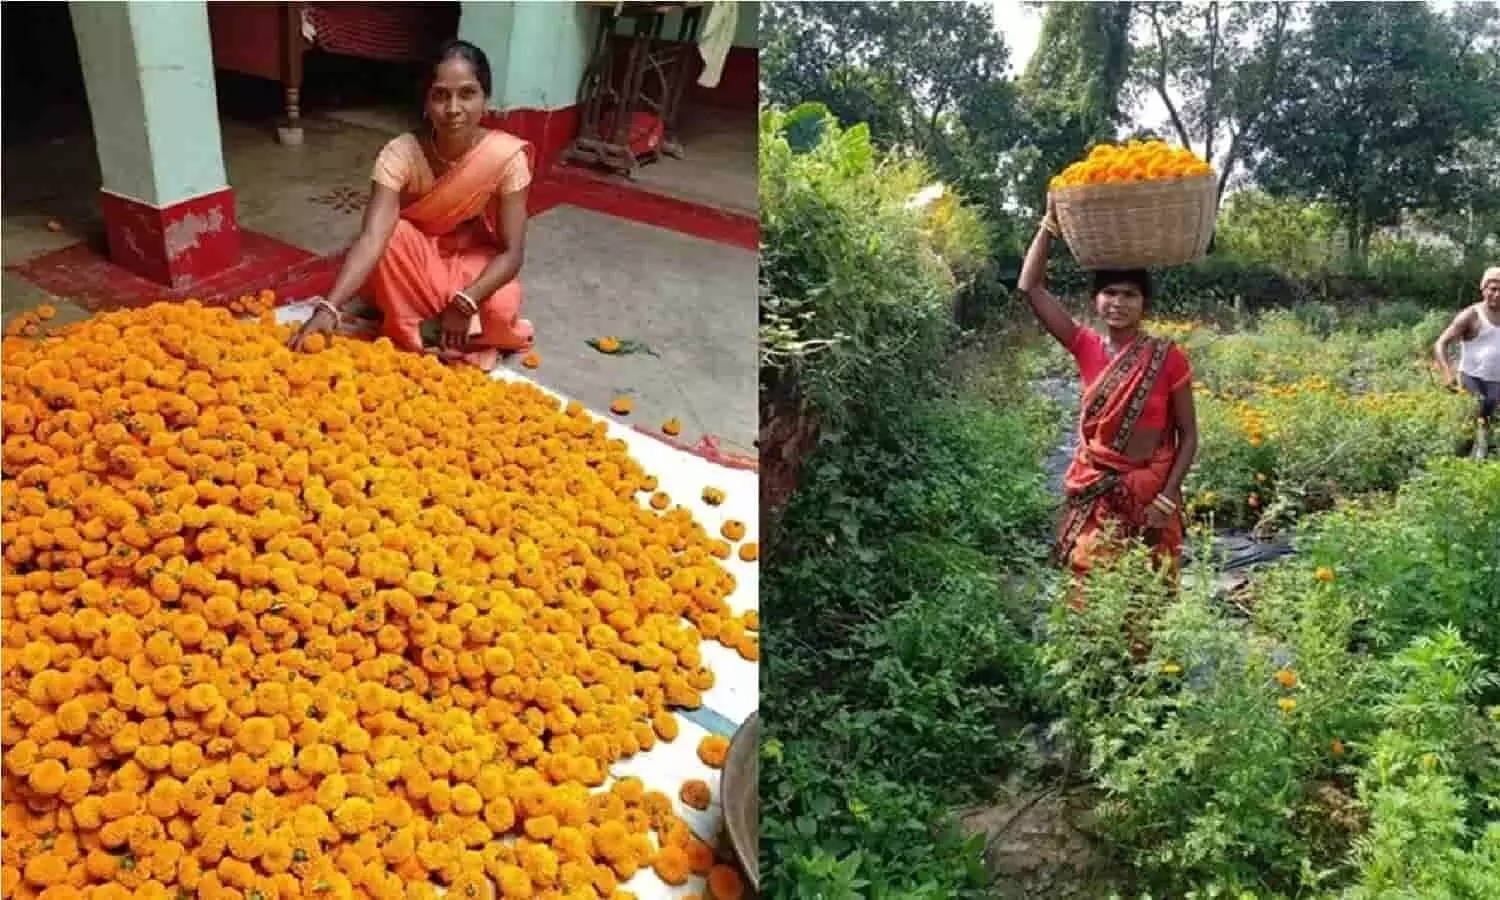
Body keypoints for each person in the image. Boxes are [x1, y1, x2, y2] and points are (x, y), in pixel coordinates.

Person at [288, 39, 535, 370]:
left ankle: (432, 321)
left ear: (485, 98)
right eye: (440, 95)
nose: (453, 108)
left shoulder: (505, 157)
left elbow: (512, 252)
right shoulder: (399, 154)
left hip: (467, 258)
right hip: (408, 260)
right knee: (394, 233)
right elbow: (373, 238)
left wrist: (466, 302)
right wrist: (329, 308)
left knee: (501, 311)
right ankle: (421, 330)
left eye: (467, 93)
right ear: (425, 101)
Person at [1017, 197, 1199, 582]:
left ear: (1144, 304)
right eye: (1110, 293)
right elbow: (1031, 288)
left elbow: (1189, 435)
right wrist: (1049, 224)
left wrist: (1167, 499)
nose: (1118, 302)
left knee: (1147, 596)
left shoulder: (1167, 357)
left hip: (1152, 495)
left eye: (1130, 295)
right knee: (1090, 589)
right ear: (1095, 300)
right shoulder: (1085, 346)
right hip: (1096, 490)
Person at [1433, 266, 1500, 460]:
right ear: (1483, 289)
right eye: (1492, 288)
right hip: (1473, 381)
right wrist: (1447, 374)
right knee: (1470, 432)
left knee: (1490, 435)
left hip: (1497, 385)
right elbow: (1441, 343)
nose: (1496, 294)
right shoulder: (1471, 315)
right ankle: (1458, 467)